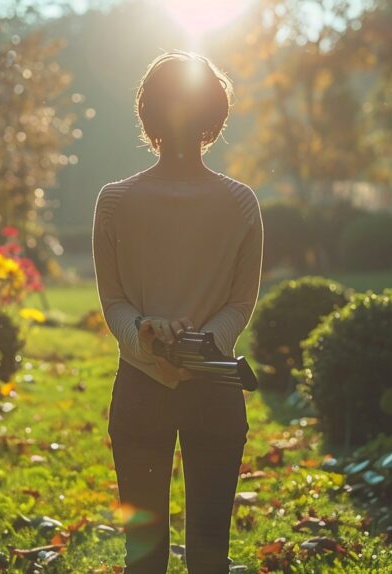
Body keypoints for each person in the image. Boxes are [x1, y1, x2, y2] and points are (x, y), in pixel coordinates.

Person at [91, 50, 264, 573]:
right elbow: (117, 303)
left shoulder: (238, 204)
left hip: (187, 385)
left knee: (163, 557)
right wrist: (151, 332)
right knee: (198, 554)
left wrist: (181, 340)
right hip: (178, 387)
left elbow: (240, 300)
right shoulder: (116, 201)